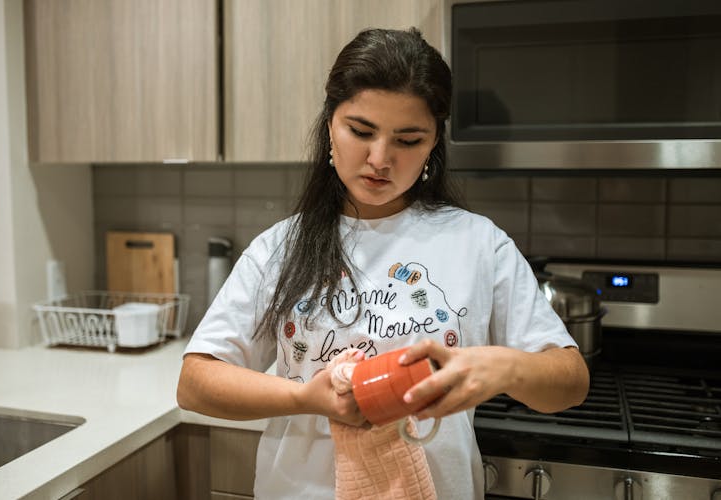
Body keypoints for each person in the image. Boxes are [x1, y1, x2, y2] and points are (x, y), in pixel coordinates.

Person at [177, 27, 589, 499]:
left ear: (434, 144)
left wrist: (498, 368)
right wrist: (305, 397)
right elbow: (195, 382)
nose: (379, 159)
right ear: (330, 124)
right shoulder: (281, 247)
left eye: (408, 140)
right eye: (361, 131)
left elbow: (571, 382)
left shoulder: (478, 244)